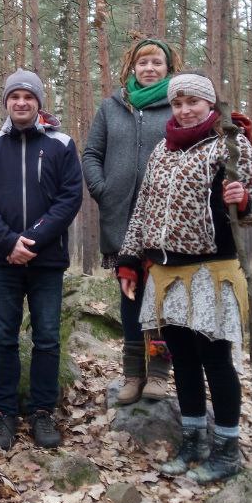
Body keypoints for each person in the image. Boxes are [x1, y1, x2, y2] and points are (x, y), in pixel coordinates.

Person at [117, 73, 252, 484]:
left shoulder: (229, 145)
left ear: (209, 103)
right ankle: (192, 441)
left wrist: (244, 200)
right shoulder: (163, 149)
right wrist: (130, 260)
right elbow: (144, 208)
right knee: (181, 360)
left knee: (215, 360)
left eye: (192, 102)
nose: (184, 110)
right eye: (178, 103)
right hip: (167, 273)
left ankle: (226, 449)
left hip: (211, 271)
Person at [0, 69, 84, 450]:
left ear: (39, 102)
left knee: (47, 338)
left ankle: (42, 412)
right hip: (3, 261)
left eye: (28, 96)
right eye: (14, 96)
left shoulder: (61, 144)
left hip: (47, 259)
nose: (21, 102)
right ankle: (3, 413)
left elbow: (70, 198)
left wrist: (31, 240)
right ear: (5, 102)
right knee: (3, 337)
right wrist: (8, 242)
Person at [82, 38, 178, 405]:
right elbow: (91, 153)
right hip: (120, 220)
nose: (149, 68)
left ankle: (158, 375)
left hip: (165, 224)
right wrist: (102, 189)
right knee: (130, 300)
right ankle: (132, 375)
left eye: (156, 62)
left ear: (168, 68)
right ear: (132, 68)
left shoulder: (176, 106)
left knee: (161, 302)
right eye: (143, 63)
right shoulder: (112, 107)